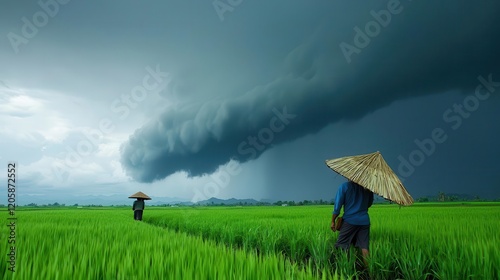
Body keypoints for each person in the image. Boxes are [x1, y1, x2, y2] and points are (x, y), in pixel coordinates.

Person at [331, 180, 374, 267]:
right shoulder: (368, 189)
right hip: (364, 221)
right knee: (364, 247)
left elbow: (337, 206)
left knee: (341, 245)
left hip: (350, 221)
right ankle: (369, 272)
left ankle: (344, 268)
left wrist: (333, 220)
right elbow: (369, 204)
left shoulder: (344, 187)